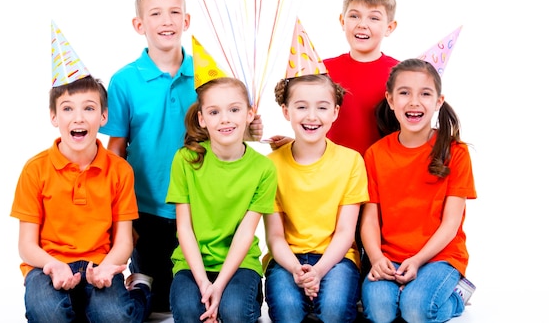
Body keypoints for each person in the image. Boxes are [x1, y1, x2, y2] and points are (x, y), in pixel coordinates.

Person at [101, 0, 263, 313]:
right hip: (146, 205)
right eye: (156, 14)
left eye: (175, 12)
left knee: (192, 294)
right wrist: (119, 213)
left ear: (187, 21)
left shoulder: (206, 77)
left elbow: (234, 128)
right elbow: (116, 151)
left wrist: (253, 125)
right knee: (159, 303)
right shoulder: (124, 81)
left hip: (203, 205)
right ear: (139, 24)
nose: (167, 21)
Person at [11, 67, 151, 322]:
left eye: (88, 108)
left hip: (99, 263)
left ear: (104, 116)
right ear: (53, 116)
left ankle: (140, 291)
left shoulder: (120, 170)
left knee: (114, 317)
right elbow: (26, 245)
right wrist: (52, 265)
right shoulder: (35, 170)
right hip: (46, 265)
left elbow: (123, 241)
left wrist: (107, 267)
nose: (78, 118)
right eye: (67, 109)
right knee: (47, 312)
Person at [360, 58, 477, 323]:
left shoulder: (456, 153)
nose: (414, 102)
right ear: (390, 100)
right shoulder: (375, 154)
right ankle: (408, 289)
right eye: (404, 93)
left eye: (425, 94)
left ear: (438, 101)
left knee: (415, 310)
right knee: (380, 313)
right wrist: (377, 258)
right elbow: (369, 218)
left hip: (439, 256)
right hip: (390, 256)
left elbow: (451, 223)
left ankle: (457, 295)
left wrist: (418, 260)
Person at [166, 76, 277, 323]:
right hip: (192, 263)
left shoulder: (264, 168)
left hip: (240, 263)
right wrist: (205, 284)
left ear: (250, 114)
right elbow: (184, 228)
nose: (225, 119)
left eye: (234, 110)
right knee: (188, 311)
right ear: (202, 119)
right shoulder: (185, 160)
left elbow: (245, 233)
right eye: (214, 112)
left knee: (235, 312)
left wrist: (219, 286)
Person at [264, 73, 369, 323]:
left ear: (335, 112)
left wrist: (319, 271)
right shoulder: (270, 166)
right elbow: (275, 236)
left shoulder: (351, 161)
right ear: (286, 111)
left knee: (334, 310)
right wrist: (295, 270)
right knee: (287, 313)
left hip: (337, 258)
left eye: (322, 107)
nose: (312, 116)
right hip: (287, 259)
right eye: (301, 107)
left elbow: (346, 232)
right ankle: (309, 301)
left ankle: (316, 301)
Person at [270, 0, 398, 156]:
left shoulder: (400, 74)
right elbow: (312, 118)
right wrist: (296, 144)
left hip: (381, 171)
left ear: (389, 27)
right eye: (354, 16)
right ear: (342, 21)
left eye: (374, 18)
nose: (362, 24)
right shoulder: (322, 70)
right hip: (332, 172)